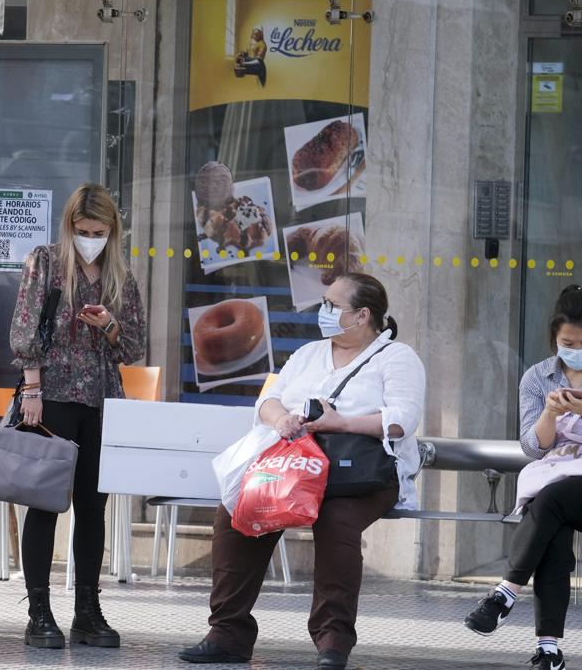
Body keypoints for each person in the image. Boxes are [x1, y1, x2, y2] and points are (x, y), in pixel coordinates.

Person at [179, 273, 426, 669]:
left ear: (362, 315)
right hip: (293, 464)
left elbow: (402, 420)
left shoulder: (398, 358)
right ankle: (228, 634)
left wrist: (339, 422)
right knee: (238, 513)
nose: (323, 312)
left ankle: (332, 641)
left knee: (335, 522)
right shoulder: (309, 354)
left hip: (357, 474)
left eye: (332, 305)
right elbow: (268, 399)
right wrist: (280, 420)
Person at [8, 183, 147, 650]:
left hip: (103, 397)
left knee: (93, 507)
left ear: (113, 230)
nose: (91, 238)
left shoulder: (120, 275)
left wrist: (108, 324)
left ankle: (88, 610)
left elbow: (133, 347)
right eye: (84, 230)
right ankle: (38, 611)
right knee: (45, 502)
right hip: (52, 396)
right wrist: (31, 389)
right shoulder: (45, 261)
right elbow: (24, 329)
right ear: (69, 227)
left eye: (100, 231)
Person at [463, 285, 582, 670]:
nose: (577, 348)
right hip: (559, 480)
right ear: (554, 336)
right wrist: (551, 413)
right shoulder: (538, 377)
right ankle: (548, 650)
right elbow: (534, 449)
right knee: (552, 530)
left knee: (548, 501)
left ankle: (504, 594)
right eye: (568, 341)